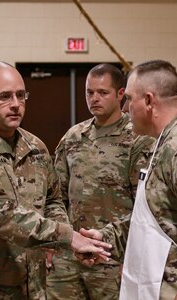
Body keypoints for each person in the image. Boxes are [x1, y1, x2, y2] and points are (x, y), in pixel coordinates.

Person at [0, 61, 111, 299]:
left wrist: (57, 241)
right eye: (5, 96)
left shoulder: (35, 147)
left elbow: (52, 200)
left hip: (27, 287)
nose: (16, 105)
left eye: (21, 95)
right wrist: (68, 237)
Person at [80, 60, 177, 299]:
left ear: (150, 101)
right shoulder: (164, 142)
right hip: (155, 284)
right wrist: (106, 237)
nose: (126, 108)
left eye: (130, 99)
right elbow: (157, 219)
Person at [46, 63, 153, 300]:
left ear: (120, 94)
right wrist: (56, 241)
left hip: (112, 257)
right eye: (89, 92)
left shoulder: (137, 138)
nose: (94, 98)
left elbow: (144, 206)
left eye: (103, 93)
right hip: (70, 256)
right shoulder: (74, 137)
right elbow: (55, 196)